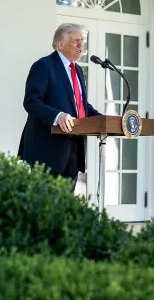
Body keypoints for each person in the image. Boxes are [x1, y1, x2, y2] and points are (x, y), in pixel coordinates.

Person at [17, 23, 101, 184]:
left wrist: (104, 120)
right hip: (46, 153)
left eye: (82, 40)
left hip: (74, 152)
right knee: (45, 206)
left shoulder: (78, 71)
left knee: (66, 206)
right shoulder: (44, 66)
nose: (81, 45)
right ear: (60, 44)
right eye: (76, 40)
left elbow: (81, 106)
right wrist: (57, 116)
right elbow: (31, 101)